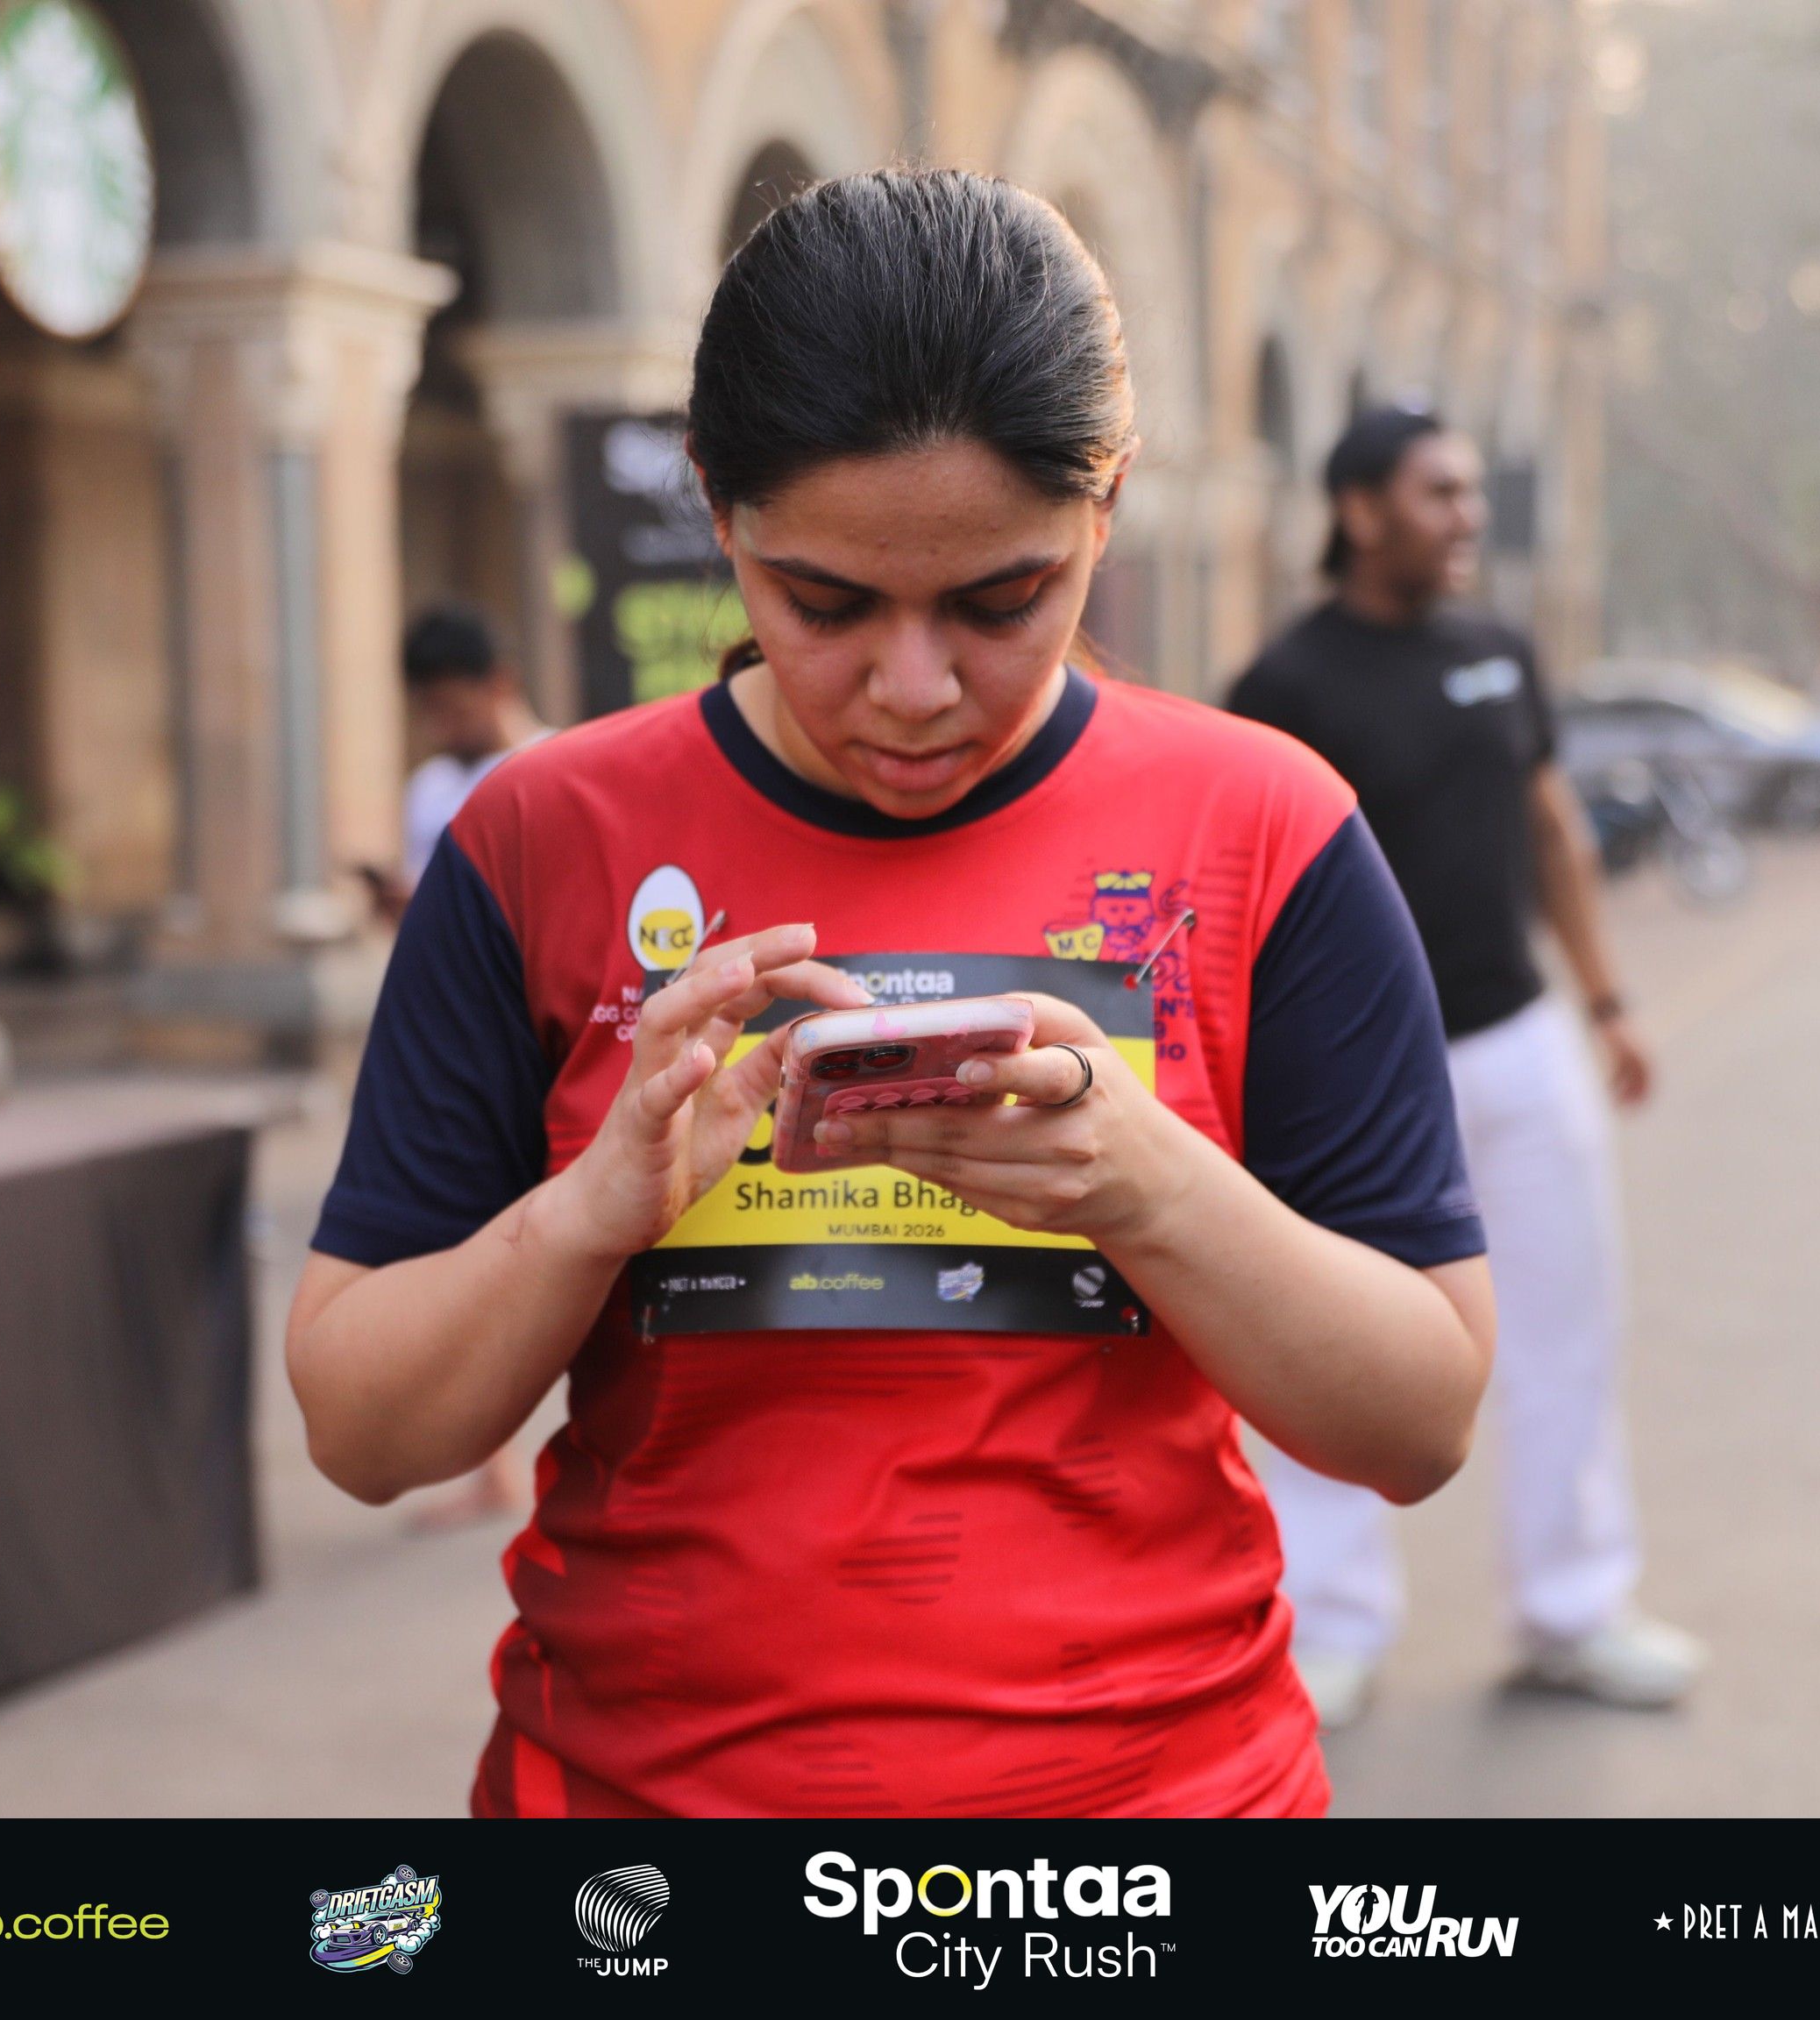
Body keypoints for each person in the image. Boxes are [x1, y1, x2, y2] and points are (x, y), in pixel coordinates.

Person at [286, 168, 1496, 1817]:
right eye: (824, 603)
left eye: (1002, 601)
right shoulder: (543, 838)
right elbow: (361, 1430)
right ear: (716, 507)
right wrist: (588, 1217)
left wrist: (1143, 1183)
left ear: (1107, 505)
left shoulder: (1265, 829)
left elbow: (1419, 1420)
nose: (913, 690)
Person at [1227, 406, 1701, 1721]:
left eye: (1470, 493)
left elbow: (1552, 830)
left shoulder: (1499, 651)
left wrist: (1607, 1002)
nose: (1466, 517)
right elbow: (1250, 888)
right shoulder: (1286, 684)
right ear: (1360, 509)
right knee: (1326, 1347)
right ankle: (1329, 1625)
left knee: (1568, 1331)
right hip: (1349, 1072)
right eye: (1439, 493)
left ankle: (1573, 1609)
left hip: (1520, 1039)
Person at [359, 606, 548, 928]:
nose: (439, 731)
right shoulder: (427, 786)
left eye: (453, 710)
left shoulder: (553, 768)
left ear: (500, 683)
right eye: (428, 713)